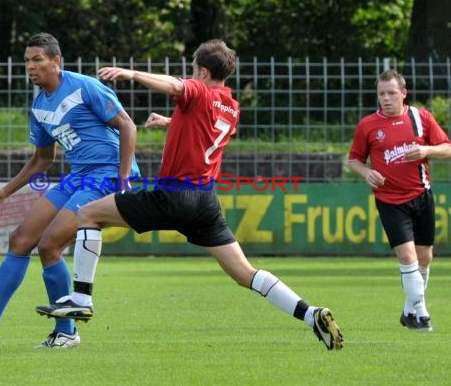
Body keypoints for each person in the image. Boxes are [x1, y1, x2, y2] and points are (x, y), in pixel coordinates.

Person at [35, 39, 344, 350]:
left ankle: (82, 298)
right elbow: (204, 128)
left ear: (203, 71)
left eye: (193, 70)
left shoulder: (198, 90)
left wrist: (131, 73)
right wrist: (171, 121)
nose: (190, 75)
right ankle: (310, 314)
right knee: (245, 273)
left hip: (173, 196)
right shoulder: (231, 106)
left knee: (87, 213)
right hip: (205, 203)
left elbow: (175, 86)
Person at [0, 32, 140, 348]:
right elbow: (43, 158)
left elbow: (128, 126)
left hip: (105, 174)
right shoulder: (39, 105)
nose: (30, 67)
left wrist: (124, 179)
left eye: (37, 60)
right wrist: (6, 192)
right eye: (27, 61)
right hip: (77, 176)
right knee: (20, 239)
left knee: (50, 245)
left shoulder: (84, 86)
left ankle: (67, 332)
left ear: (55, 61)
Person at [347, 69, 451, 331]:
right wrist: (367, 172)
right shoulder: (367, 125)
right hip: (390, 200)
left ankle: (409, 310)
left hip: (421, 195)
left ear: (403, 94)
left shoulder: (421, 117)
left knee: (424, 258)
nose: (386, 98)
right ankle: (422, 315)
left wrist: (427, 149)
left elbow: (447, 148)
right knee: (407, 258)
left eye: (391, 93)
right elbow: (353, 160)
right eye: (381, 93)